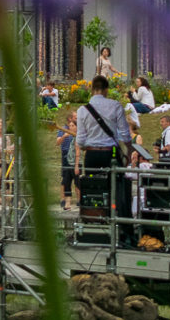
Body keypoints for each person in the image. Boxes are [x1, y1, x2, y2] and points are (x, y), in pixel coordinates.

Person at [73, 75, 134, 224]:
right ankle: (117, 222)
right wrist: (129, 151)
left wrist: (90, 143)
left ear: (92, 89)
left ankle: (95, 221)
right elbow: (125, 135)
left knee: (94, 190)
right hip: (110, 153)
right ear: (106, 90)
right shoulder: (115, 106)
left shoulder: (82, 110)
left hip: (92, 155)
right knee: (115, 188)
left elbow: (80, 141)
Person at [54, 113, 77, 207]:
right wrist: (64, 136)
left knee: (77, 179)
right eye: (75, 117)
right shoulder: (62, 129)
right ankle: (63, 199)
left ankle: (78, 200)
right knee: (65, 178)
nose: (77, 119)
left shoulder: (77, 128)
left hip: (75, 156)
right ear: (70, 119)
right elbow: (57, 142)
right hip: (65, 155)